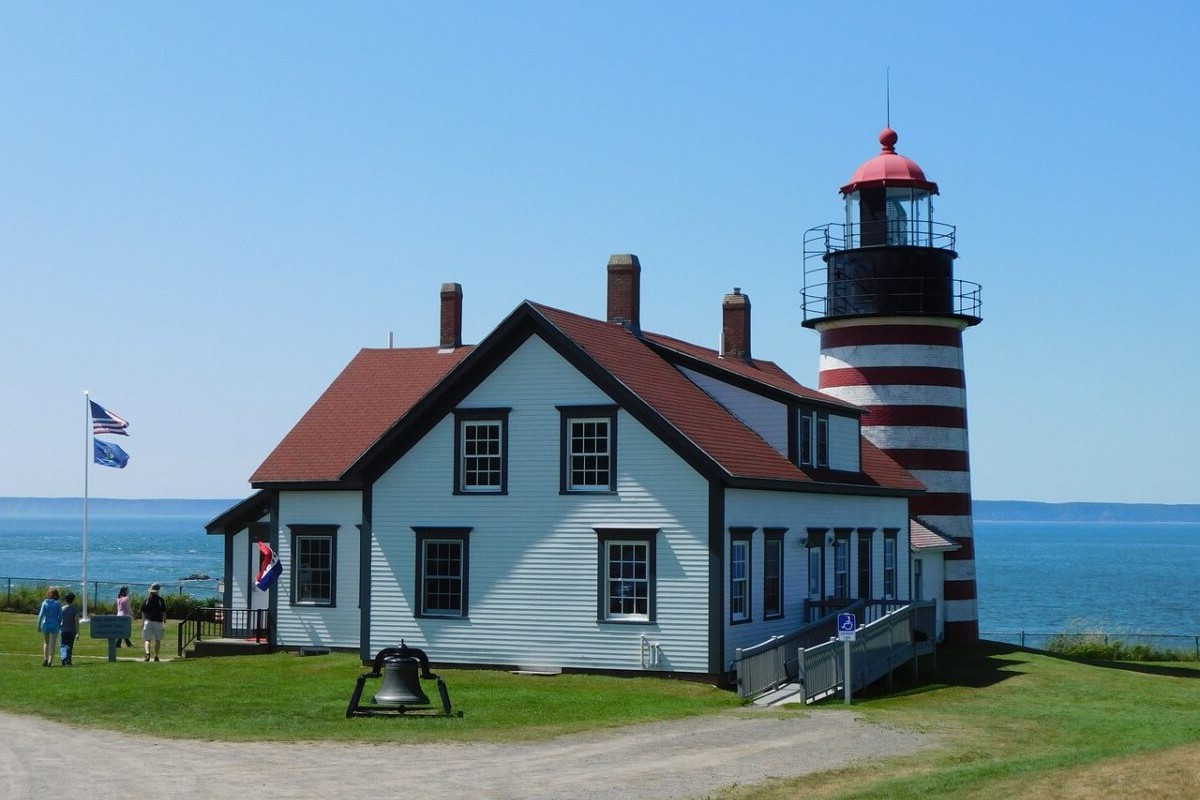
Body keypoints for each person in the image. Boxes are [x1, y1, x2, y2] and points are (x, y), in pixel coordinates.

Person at [140, 583, 167, 662]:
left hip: (148, 622)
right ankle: (156, 656)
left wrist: (142, 622)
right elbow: (163, 612)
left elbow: (143, 612)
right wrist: (164, 620)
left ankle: (147, 654)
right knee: (158, 640)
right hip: (158, 622)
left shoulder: (147, 600)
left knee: (147, 640)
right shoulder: (160, 600)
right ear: (158, 590)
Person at [36, 587, 62, 667]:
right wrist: (58, 623)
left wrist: (38, 626)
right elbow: (60, 616)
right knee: (53, 644)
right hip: (54, 624)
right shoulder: (58, 604)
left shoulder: (45, 603)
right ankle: (50, 661)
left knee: (46, 642)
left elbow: (41, 615)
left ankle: (45, 659)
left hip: (45, 624)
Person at [59, 592, 80, 666]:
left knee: (63, 645)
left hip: (63, 630)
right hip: (72, 630)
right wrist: (78, 632)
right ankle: (68, 660)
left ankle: (63, 659)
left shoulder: (62, 609)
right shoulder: (75, 609)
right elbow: (77, 622)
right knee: (70, 645)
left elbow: (60, 619)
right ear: (73, 600)